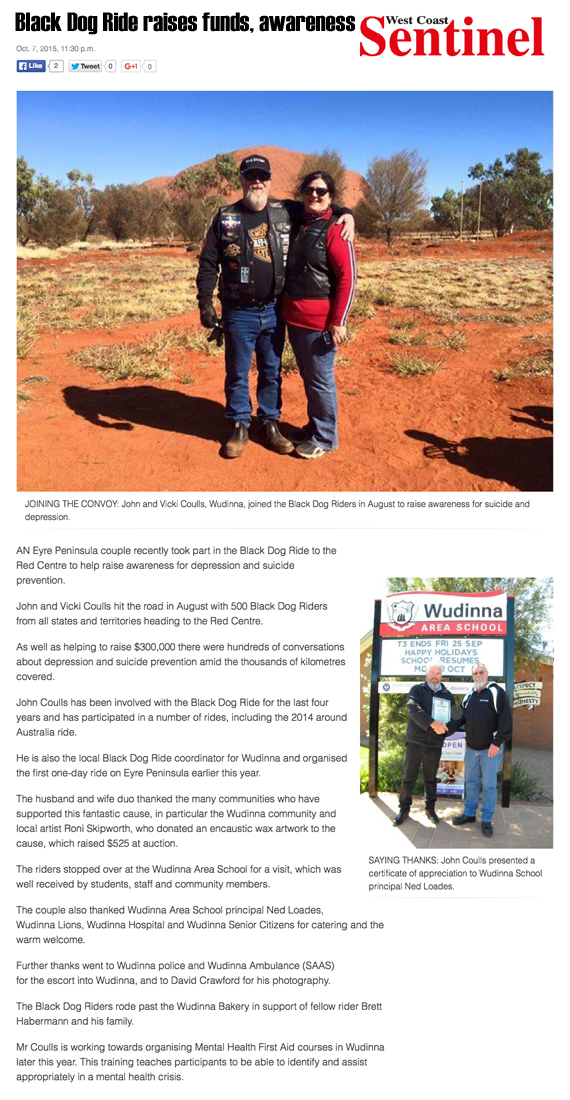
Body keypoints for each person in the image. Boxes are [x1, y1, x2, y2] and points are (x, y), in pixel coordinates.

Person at [196, 155, 354, 459]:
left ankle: (269, 423)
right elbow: (207, 263)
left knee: (271, 370)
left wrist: (347, 214)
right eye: (250, 176)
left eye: (262, 176)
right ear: (241, 179)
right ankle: (240, 424)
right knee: (238, 372)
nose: (257, 181)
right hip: (238, 311)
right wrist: (205, 302)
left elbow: (321, 206)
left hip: (273, 310)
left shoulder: (285, 210)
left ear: (269, 180)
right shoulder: (225, 216)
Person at [281, 171, 357, 459]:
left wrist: (338, 321)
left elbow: (348, 278)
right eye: (310, 189)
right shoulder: (298, 223)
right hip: (295, 319)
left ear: (330, 197)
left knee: (320, 380)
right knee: (309, 377)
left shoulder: (336, 229)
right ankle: (315, 425)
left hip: (319, 324)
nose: (315, 195)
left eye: (322, 192)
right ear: (302, 192)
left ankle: (325, 438)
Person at [452, 663, 512, 837]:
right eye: (475, 673)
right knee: (470, 783)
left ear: (487, 674)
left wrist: (496, 743)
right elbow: (458, 718)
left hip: (489, 750)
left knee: (489, 786)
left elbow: (505, 721)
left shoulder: (496, 692)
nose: (478, 675)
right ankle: (470, 814)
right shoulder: (469, 695)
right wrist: (442, 726)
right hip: (471, 749)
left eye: (481, 672)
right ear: (472, 676)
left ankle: (486, 820)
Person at [393, 664, 455, 826]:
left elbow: (456, 717)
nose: (435, 676)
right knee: (408, 778)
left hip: (434, 746)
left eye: (438, 673)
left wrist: (446, 729)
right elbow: (413, 709)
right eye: (432, 673)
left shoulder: (447, 695)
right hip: (415, 743)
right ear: (426, 674)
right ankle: (404, 809)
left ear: (441, 676)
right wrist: (433, 723)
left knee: (430, 780)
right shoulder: (416, 690)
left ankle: (430, 809)